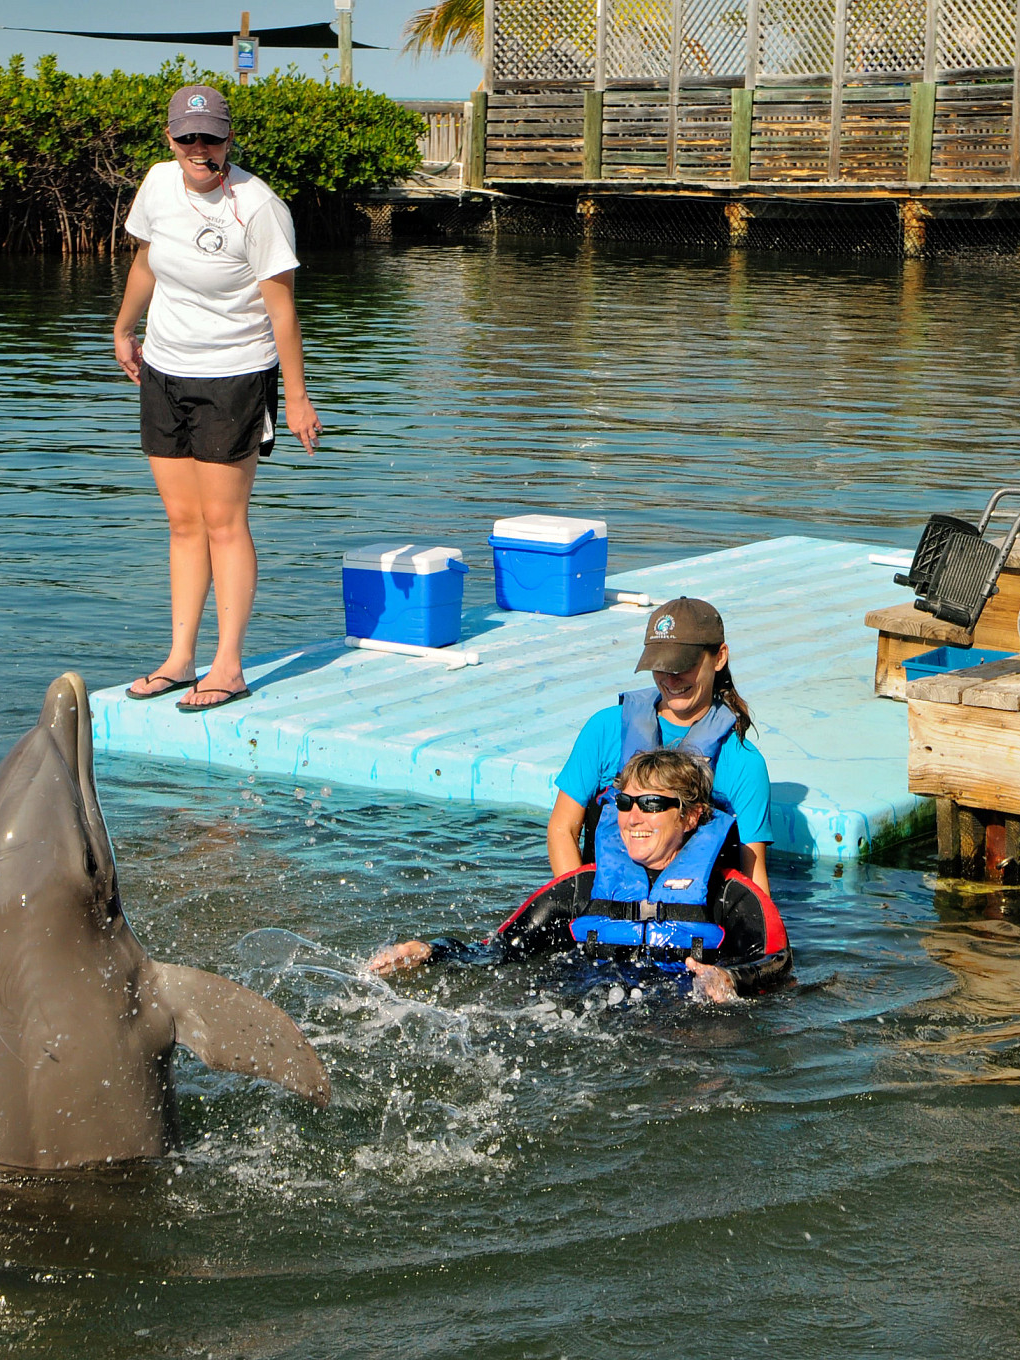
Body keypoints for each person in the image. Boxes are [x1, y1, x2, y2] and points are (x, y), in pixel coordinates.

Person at [113, 84, 321, 713]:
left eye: (211, 138)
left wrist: (299, 397)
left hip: (235, 375)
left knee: (225, 522)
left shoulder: (259, 208)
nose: (198, 150)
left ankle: (227, 666)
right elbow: (148, 260)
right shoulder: (157, 183)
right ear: (169, 139)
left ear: (230, 139)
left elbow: (282, 309)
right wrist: (125, 328)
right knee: (182, 522)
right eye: (186, 138)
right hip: (165, 369)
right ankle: (180, 660)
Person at [367, 749, 792, 1001]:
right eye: (624, 803)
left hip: (684, 1038)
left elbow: (779, 962)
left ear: (692, 817)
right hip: (583, 1019)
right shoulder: (580, 889)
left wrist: (729, 977)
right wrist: (431, 950)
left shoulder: (729, 897)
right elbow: (496, 951)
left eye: (652, 805)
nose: (633, 817)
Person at [545, 597, 774, 894]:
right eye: (661, 666)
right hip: (604, 910)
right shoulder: (605, 729)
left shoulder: (743, 762)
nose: (671, 678)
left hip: (693, 922)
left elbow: (754, 878)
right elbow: (562, 829)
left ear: (719, 658)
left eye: (684, 666)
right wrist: (581, 908)